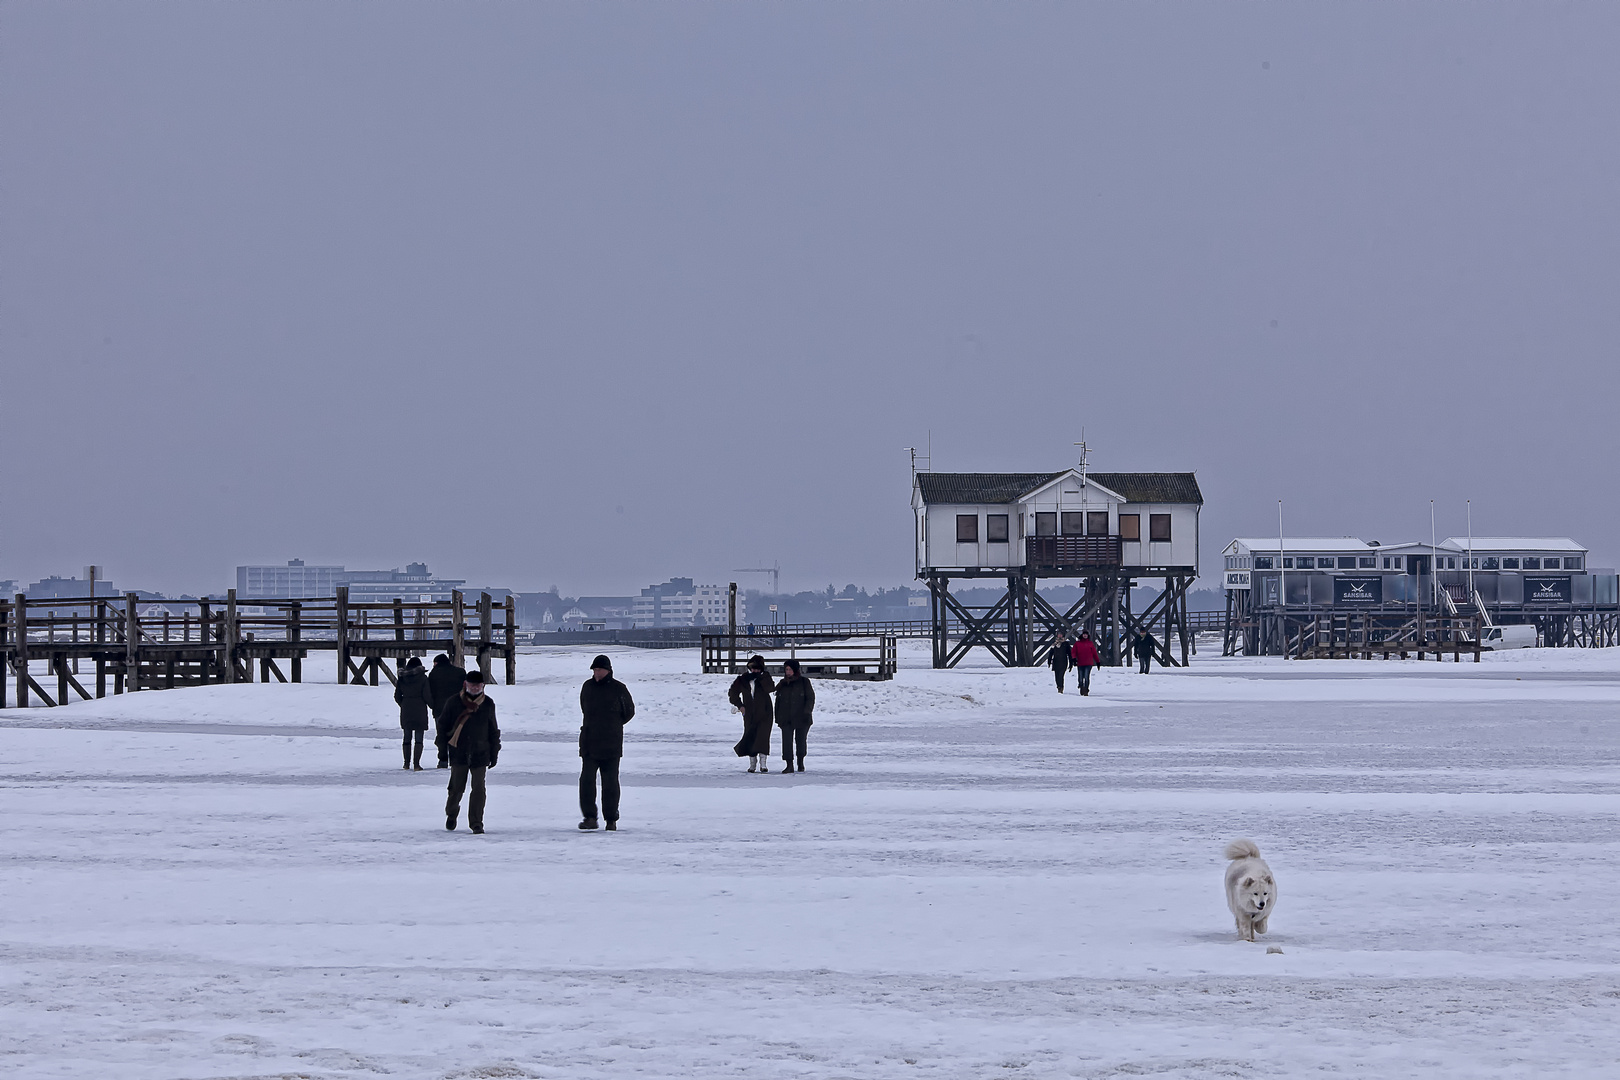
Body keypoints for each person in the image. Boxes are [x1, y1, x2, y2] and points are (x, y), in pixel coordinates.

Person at [435, 669, 500, 833]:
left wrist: (494, 753)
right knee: (456, 788)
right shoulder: (454, 702)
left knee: (479, 789)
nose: (475, 688)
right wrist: (442, 751)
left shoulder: (488, 704)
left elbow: (493, 730)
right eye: (472, 685)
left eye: (478, 685)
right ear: (466, 685)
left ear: (483, 686)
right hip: (459, 751)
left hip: (481, 752)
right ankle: (451, 813)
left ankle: (476, 822)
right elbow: (442, 727)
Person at [578, 654, 635, 831]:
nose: (596, 673)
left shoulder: (619, 689)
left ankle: (610, 819)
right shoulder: (587, 687)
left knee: (610, 783)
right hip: (589, 742)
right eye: (594, 670)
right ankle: (590, 817)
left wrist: (613, 725)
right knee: (586, 781)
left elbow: (629, 712)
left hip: (611, 743)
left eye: (599, 670)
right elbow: (584, 708)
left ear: (608, 670)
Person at [729, 654, 775, 773]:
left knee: (763, 737)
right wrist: (740, 706)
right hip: (749, 714)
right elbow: (733, 693)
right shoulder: (743, 679)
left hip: (765, 713)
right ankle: (752, 764)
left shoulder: (765, 678)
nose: (755, 671)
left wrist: (762, 678)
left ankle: (763, 764)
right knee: (750, 736)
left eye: (757, 668)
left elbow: (770, 688)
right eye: (753, 668)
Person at [772, 658, 815, 773]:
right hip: (786, 717)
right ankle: (789, 764)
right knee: (786, 741)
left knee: (800, 740)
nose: (788, 672)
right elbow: (778, 702)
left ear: (795, 670)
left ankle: (800, 763)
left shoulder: (804, 682)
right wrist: (778, 716)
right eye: (786, 669)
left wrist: (807, 711)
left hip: (802, 717)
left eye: (790, 669)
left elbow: (810, 698)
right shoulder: (782, 684)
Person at [393, 656, 433, 769]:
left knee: (407, 737)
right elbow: (427, 695)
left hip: (406, 709)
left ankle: (406, 763)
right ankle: (416, 764)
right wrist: (433, 706)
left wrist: (404, 704)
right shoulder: (423, 678)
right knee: (419, 738)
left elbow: (397, 696)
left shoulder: (402, 678)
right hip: (420, 708)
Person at [427, 654, 466, 768]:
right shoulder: (460, 672)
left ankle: (443, 760)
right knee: (457, 734)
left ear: (437, 663)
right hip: (457, 709)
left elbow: (429, 692)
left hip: (440, 710)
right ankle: (457, 759)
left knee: (442, 735)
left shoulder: (433, 674)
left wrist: (432, 706)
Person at [1069, 631, 1100, 696]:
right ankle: (1081, 686)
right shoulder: (1077, 643)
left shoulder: (1090, 643)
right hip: (1080, 663)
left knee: (1086, 676)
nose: (1085, 635)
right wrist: (1074, 659)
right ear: (1082, 635)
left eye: (1086, 634)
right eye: (1084, 634)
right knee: (1080, 678)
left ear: (1088, 636)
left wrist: (1097, 662)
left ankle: (1086, 689)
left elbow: (1094, 653)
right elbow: (1073, 652)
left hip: (1088, 663)